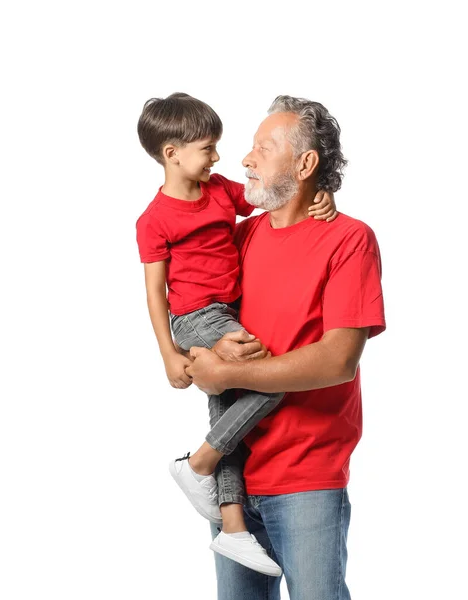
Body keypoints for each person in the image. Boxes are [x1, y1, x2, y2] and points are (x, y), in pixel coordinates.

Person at [183, 95, 386, 600]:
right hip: (233, 479)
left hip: (307, 478)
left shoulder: (348, 240)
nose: (246, 159)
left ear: (304, 163)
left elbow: (339, 360)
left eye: (262, 148)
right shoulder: (239, 237)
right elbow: (187, 293)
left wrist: (227, 375)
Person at [135, 93, 338, 577]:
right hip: (196, 316)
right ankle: (200, 462)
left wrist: (318, 197)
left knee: (230, 407)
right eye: (209, 148)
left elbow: (273, 196)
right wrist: (171, 353)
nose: (220, 157)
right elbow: (154, 292)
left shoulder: (220, 192)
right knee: (274, 379)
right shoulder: (154, 220)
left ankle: (231, 527)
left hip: (226, 310)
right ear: (173, 153)